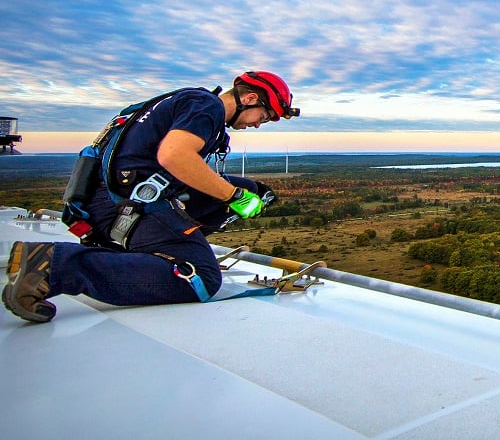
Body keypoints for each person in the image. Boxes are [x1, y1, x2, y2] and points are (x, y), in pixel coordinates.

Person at [3, 71, 300, 323]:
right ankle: (57, 265)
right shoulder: (206, 107)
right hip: (124, 206)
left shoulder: (188, 100)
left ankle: (164, 246)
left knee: (257, 193)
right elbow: (174, 155)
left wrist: (242, 194)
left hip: (111, 198)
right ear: (249, 98)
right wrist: (235, 196)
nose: (259, 123)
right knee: (200, 278)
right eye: (264, 115)